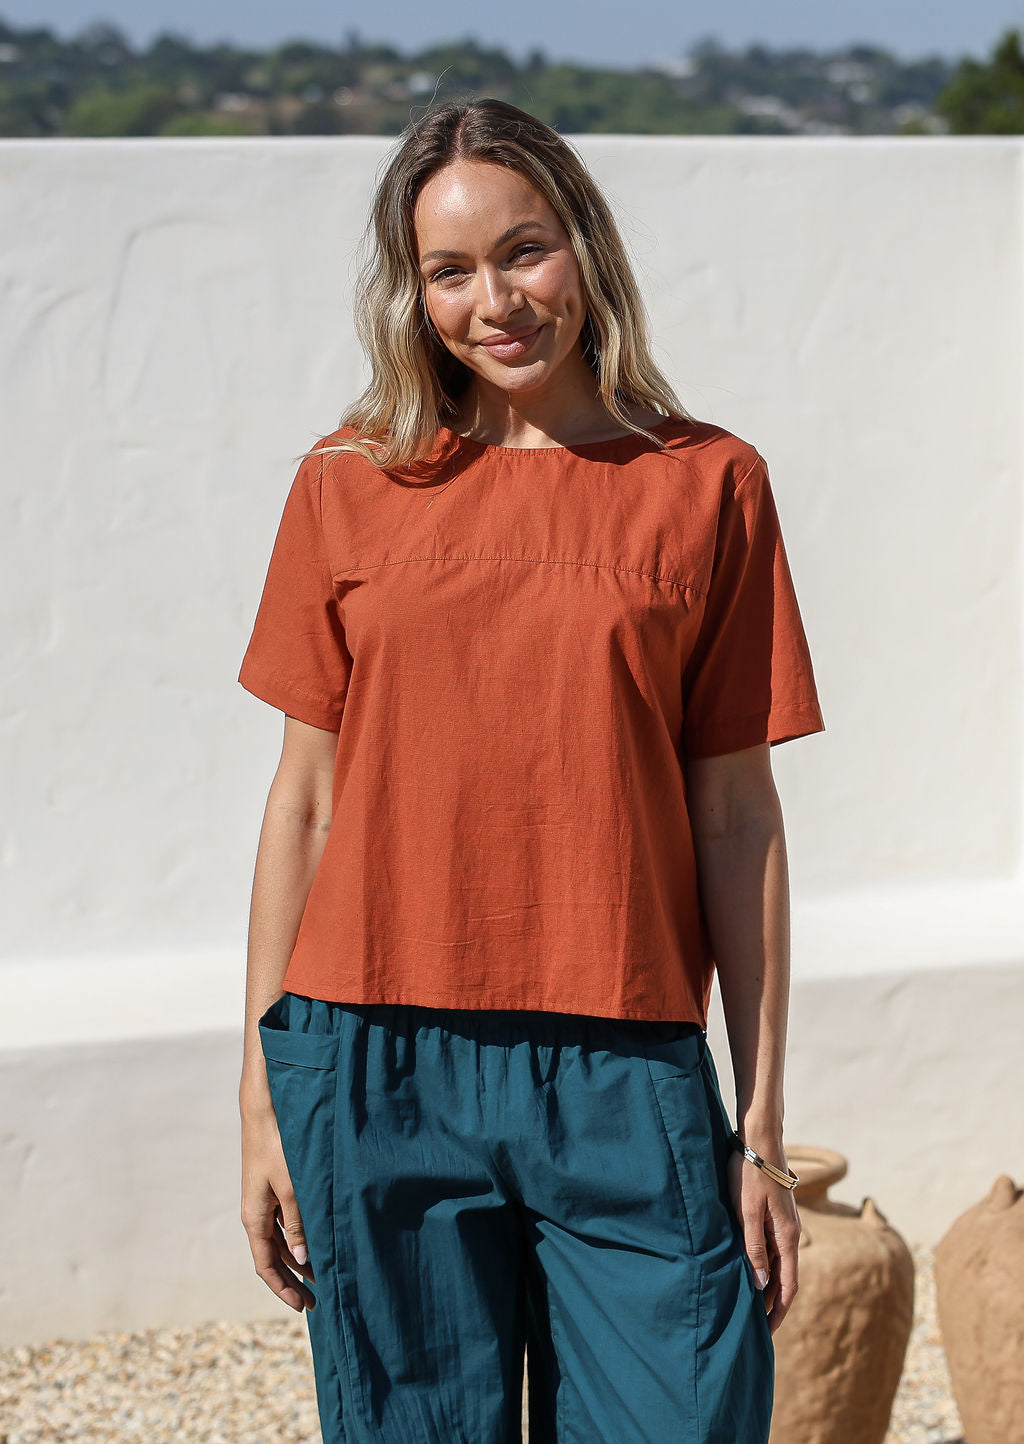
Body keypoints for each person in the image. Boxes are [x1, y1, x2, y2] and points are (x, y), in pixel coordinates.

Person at [237, 96, 825, 1444]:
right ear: (413, 290)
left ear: (586, 251)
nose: (493, 300)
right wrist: (259, 1097)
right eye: (450, 269)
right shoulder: (349, 483)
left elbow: (737, 815)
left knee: (687, 1413)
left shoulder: (709, 485)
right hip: (372, 1052)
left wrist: (764, 1125)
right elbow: (306, 803)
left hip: (627, 1061)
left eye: (524, 251)